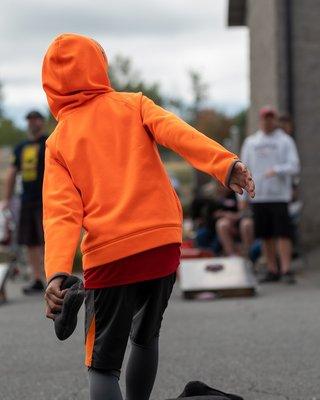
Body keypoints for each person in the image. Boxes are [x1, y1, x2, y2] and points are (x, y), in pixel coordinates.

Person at [42, 33, 255, 400]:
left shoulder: (58, 141)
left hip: (110, 255)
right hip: (161, 243)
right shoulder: (133, 104)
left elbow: (62, 213)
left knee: (103, 364)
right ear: (99, 65)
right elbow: (179, 133)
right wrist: (225, 163)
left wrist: (58, 271)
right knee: (146, 334)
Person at [240, 106, 300, 284]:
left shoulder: (285, 141)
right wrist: (242, 197)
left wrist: (277, 170)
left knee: (283, 234)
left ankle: (286, 269)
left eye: (271, 118)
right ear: (260, 120)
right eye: (265, 118)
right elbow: (244, 169)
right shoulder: (251, 142)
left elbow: (295, 166)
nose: (268, 121)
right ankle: (272, 269)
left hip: (279, 196)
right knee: (266, 235)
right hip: (259, 196)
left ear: (275, 120)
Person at [1, 110, 47, 294]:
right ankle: (37, 279)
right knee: (31, 241)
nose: (32, 123)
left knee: (48, 239)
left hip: (48, 198)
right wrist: (6, 198)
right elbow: (12, 172)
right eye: (29, 120)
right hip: (27, 200)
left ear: (42, 122)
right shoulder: (20, 147)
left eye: (36, 119)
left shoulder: (49, 142)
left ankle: (55, 277)